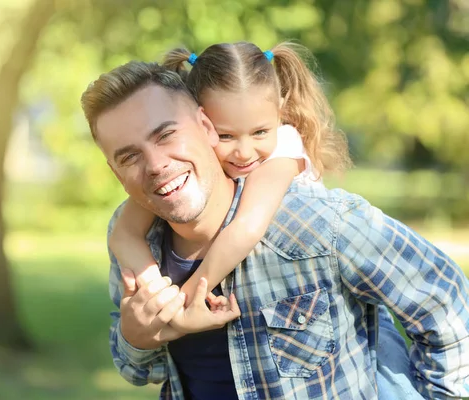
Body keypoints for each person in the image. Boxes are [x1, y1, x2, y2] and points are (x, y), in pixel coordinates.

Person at [81, 42, 469, 399]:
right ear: (115, 171)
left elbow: (446, 301)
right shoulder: (142, 246)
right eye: (129, 157)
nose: (156, 165)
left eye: (166, 135)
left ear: (204, 126)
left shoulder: (316, 223)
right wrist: (136, 337)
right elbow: (138, 370)